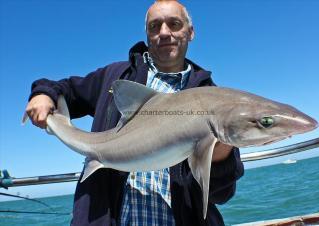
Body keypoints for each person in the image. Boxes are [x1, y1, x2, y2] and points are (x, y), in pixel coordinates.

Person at [25, 0, 244, 225]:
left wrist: (220, 154)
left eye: (174, 24)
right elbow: (67, 89)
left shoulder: (213, 98)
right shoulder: (116, 77)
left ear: (190, 32)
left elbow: (221, 195)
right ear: (147, 34)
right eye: (155, 26)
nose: (164, 32)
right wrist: (44, 94)